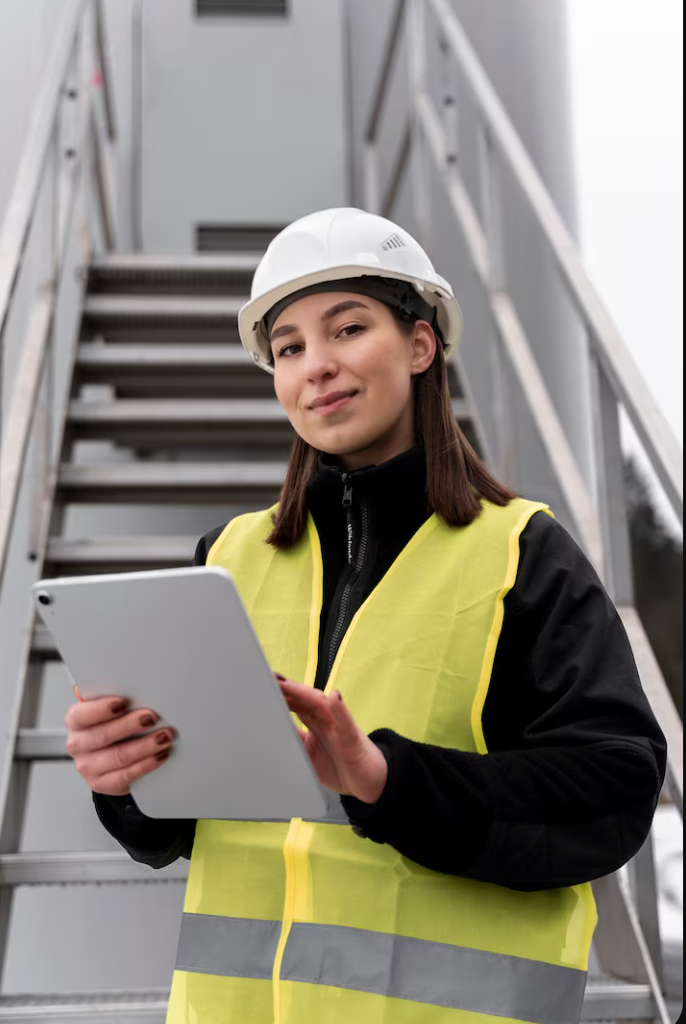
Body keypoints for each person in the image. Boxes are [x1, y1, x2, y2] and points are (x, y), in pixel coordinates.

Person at [65, 209, 666, 1024]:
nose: (317, 366)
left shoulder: (522, 552)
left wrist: (389, 781)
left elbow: (613, 789)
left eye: (348, 328)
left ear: (421, 345)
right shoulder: (226, 558)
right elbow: (173, 829)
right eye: (289, 348)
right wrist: (125, 780)